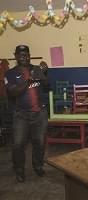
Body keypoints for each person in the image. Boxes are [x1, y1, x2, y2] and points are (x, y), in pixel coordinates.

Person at [4, 45, 49, 182]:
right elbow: (12, 93)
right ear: (16, 56)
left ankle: (38, 166)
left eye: (27, 54)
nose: (25, 57)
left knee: (39, 143)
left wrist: (44, 74)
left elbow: (47, 87)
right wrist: (29, 79)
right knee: (18, 144)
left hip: (40, 114)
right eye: (22, 55)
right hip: (21, 115)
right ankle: (19, 171)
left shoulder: (36, 69)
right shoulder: (10, 74)